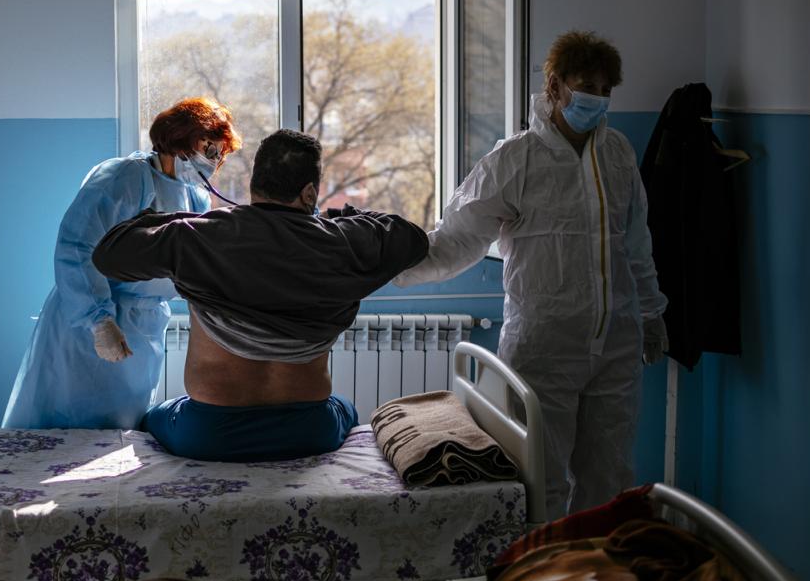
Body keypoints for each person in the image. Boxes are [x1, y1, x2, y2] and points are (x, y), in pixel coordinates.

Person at [395, 30, 668, 520]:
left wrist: (651, 313)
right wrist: (390, 267)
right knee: (541, 483)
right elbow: (458, 239)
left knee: (610, 480)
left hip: (615, 345)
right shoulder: (515, 160)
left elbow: (636, 245)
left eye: (606, 91)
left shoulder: (618, 155)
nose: (597, 99)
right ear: (555, 86)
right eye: (587, 87)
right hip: (544, 348)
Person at [92, 129, 428, 462]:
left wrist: (180, 222)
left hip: (210, 432)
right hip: (310, 430)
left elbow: (108, 254)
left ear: (254, 184)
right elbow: (413, 238)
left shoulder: (199, 236)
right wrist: (337, 218)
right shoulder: (342, 242)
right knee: (348, 411)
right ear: (309, 192)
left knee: (152, 418)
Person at [2, 98, 241, 430]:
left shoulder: (194, 195)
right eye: (209, 148)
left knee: (121, 429)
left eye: (220, 154)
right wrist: (98, 321)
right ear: (182, 138)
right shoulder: (127, 177)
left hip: (145, 326)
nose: (215, 161)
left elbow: (188, 260)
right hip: (92, 323)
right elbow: (76, 246)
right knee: (67, 425)